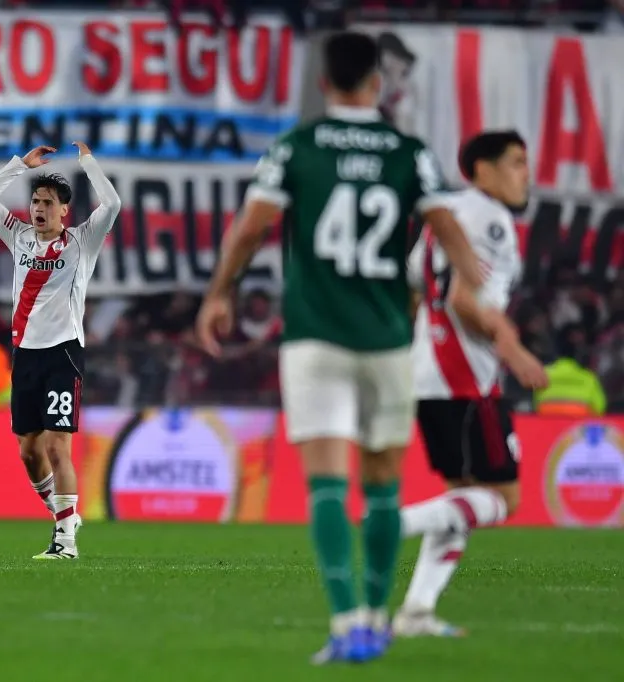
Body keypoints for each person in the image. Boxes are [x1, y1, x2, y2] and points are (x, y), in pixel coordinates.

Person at [195, 31, 485, 664]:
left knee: (327, 485)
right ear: (377, 83)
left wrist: (221, 293)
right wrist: (468, 276)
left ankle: (347, 622)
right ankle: (380, 618)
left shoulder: (296, 148)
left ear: (325, 83)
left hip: (315, 341)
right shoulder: (409, 151)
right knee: (383, 486)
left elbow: (251, 229)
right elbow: (447, 226)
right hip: (386, 341)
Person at [396, 130, 549, 637]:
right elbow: (465, 299)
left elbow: (415, 286)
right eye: (515, 162)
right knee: (505, 498)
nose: (524, 173)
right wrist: (512, 349)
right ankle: (392, 524)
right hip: (465, 380)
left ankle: (417, 611)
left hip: (429, 375)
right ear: (481, 169)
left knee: (460, 500)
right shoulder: (489, 218)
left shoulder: (445, 216)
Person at [0, 141, 121, 559]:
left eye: (47, 202)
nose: (37, 208)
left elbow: (112, 204)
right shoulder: (18, 236)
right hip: (24, 355)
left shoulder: (82, 242)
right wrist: (20, 166)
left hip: (63, 353)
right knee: (28, 452)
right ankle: (64, 514)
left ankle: (65, 541)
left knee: (58, 446)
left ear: (63, 211)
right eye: (35, 201)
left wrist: (87, 163)